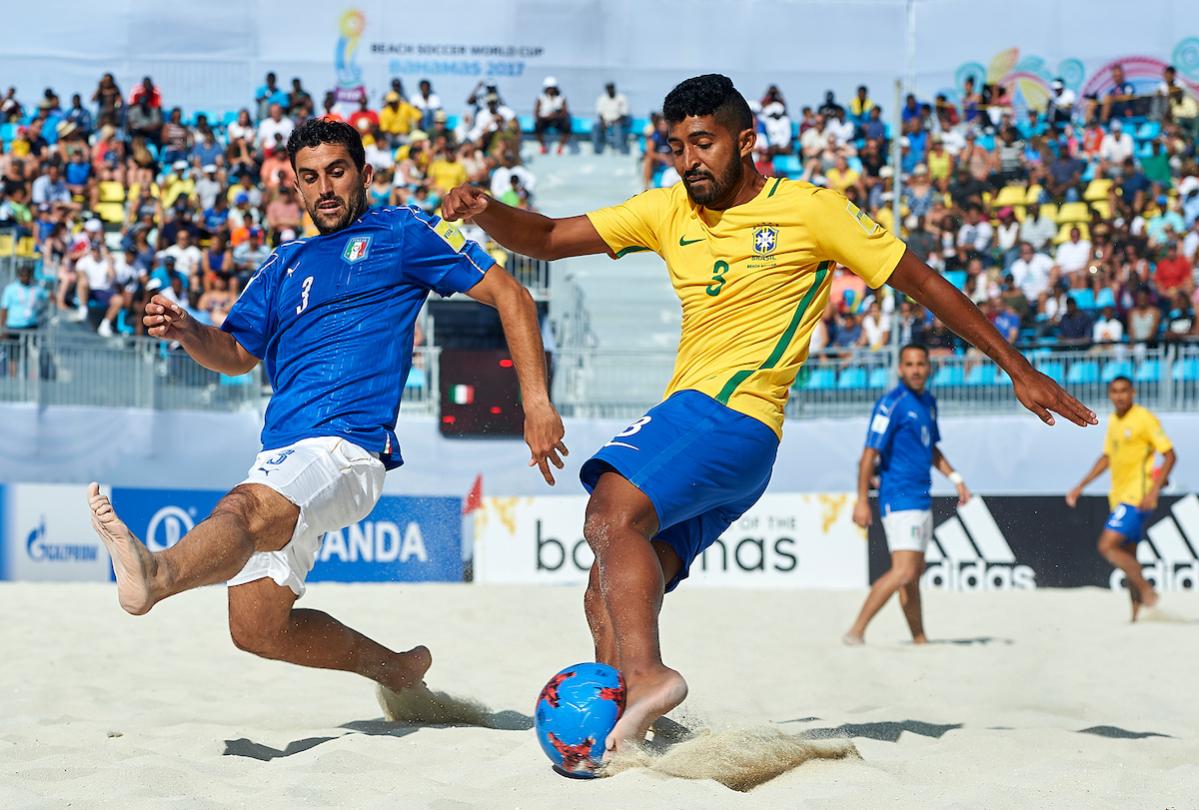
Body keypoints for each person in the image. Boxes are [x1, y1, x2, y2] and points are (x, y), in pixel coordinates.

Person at [442, 73, 1094, 752]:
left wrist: (1016, 366)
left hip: (731, 413)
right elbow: (548, 237)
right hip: (728, 441)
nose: (688, 160)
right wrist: (487, 209)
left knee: (609, 512)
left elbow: (922, 281)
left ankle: (647, 676)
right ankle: (626, 731)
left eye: (703, 142)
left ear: (746, 140)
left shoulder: (811, 210)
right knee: (605, 582)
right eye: (676, 147)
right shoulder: (667, 210)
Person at [86, 119, 567, 703]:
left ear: (365, 174)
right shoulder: (283, 263)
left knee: (242, 508)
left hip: (347, 448)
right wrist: (189, 331)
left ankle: (158, 574)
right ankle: (395, 670)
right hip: (282, 454)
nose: (325, 188)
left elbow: (512, 295)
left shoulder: (404, 229)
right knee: (256, 628)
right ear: (296, 185)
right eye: (310, 177)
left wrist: (535, 403)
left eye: (337, 172)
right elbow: (235, 354)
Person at [843, 344, 970, 645]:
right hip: (899, 497)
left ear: (929, 368)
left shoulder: (928, 403)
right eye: (909, 365)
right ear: (900, 369)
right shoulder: (891, 403)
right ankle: (856, 632)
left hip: (921, 497)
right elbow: (868, 455)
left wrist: (956, 479)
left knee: (913, 575)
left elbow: (931, 449)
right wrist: (861, 500)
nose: (915, 370)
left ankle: (919, 639)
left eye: (920, 364)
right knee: (903, 571)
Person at [1066, 377, 1176, 620]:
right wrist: (1080, 486)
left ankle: (1148, 592)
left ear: (1133, 392)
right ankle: (1135, 617)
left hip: (1137, 498)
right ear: (1109, 395)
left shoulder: (1144, 418)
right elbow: (1107, 458)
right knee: (1128, 556)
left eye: (1124, 391)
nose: (1119, 396)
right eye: (1114, 391)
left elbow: (1170, 455)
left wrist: (1154, 490)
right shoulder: (1114, 420)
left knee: (1107, 546)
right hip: (1119, 497)